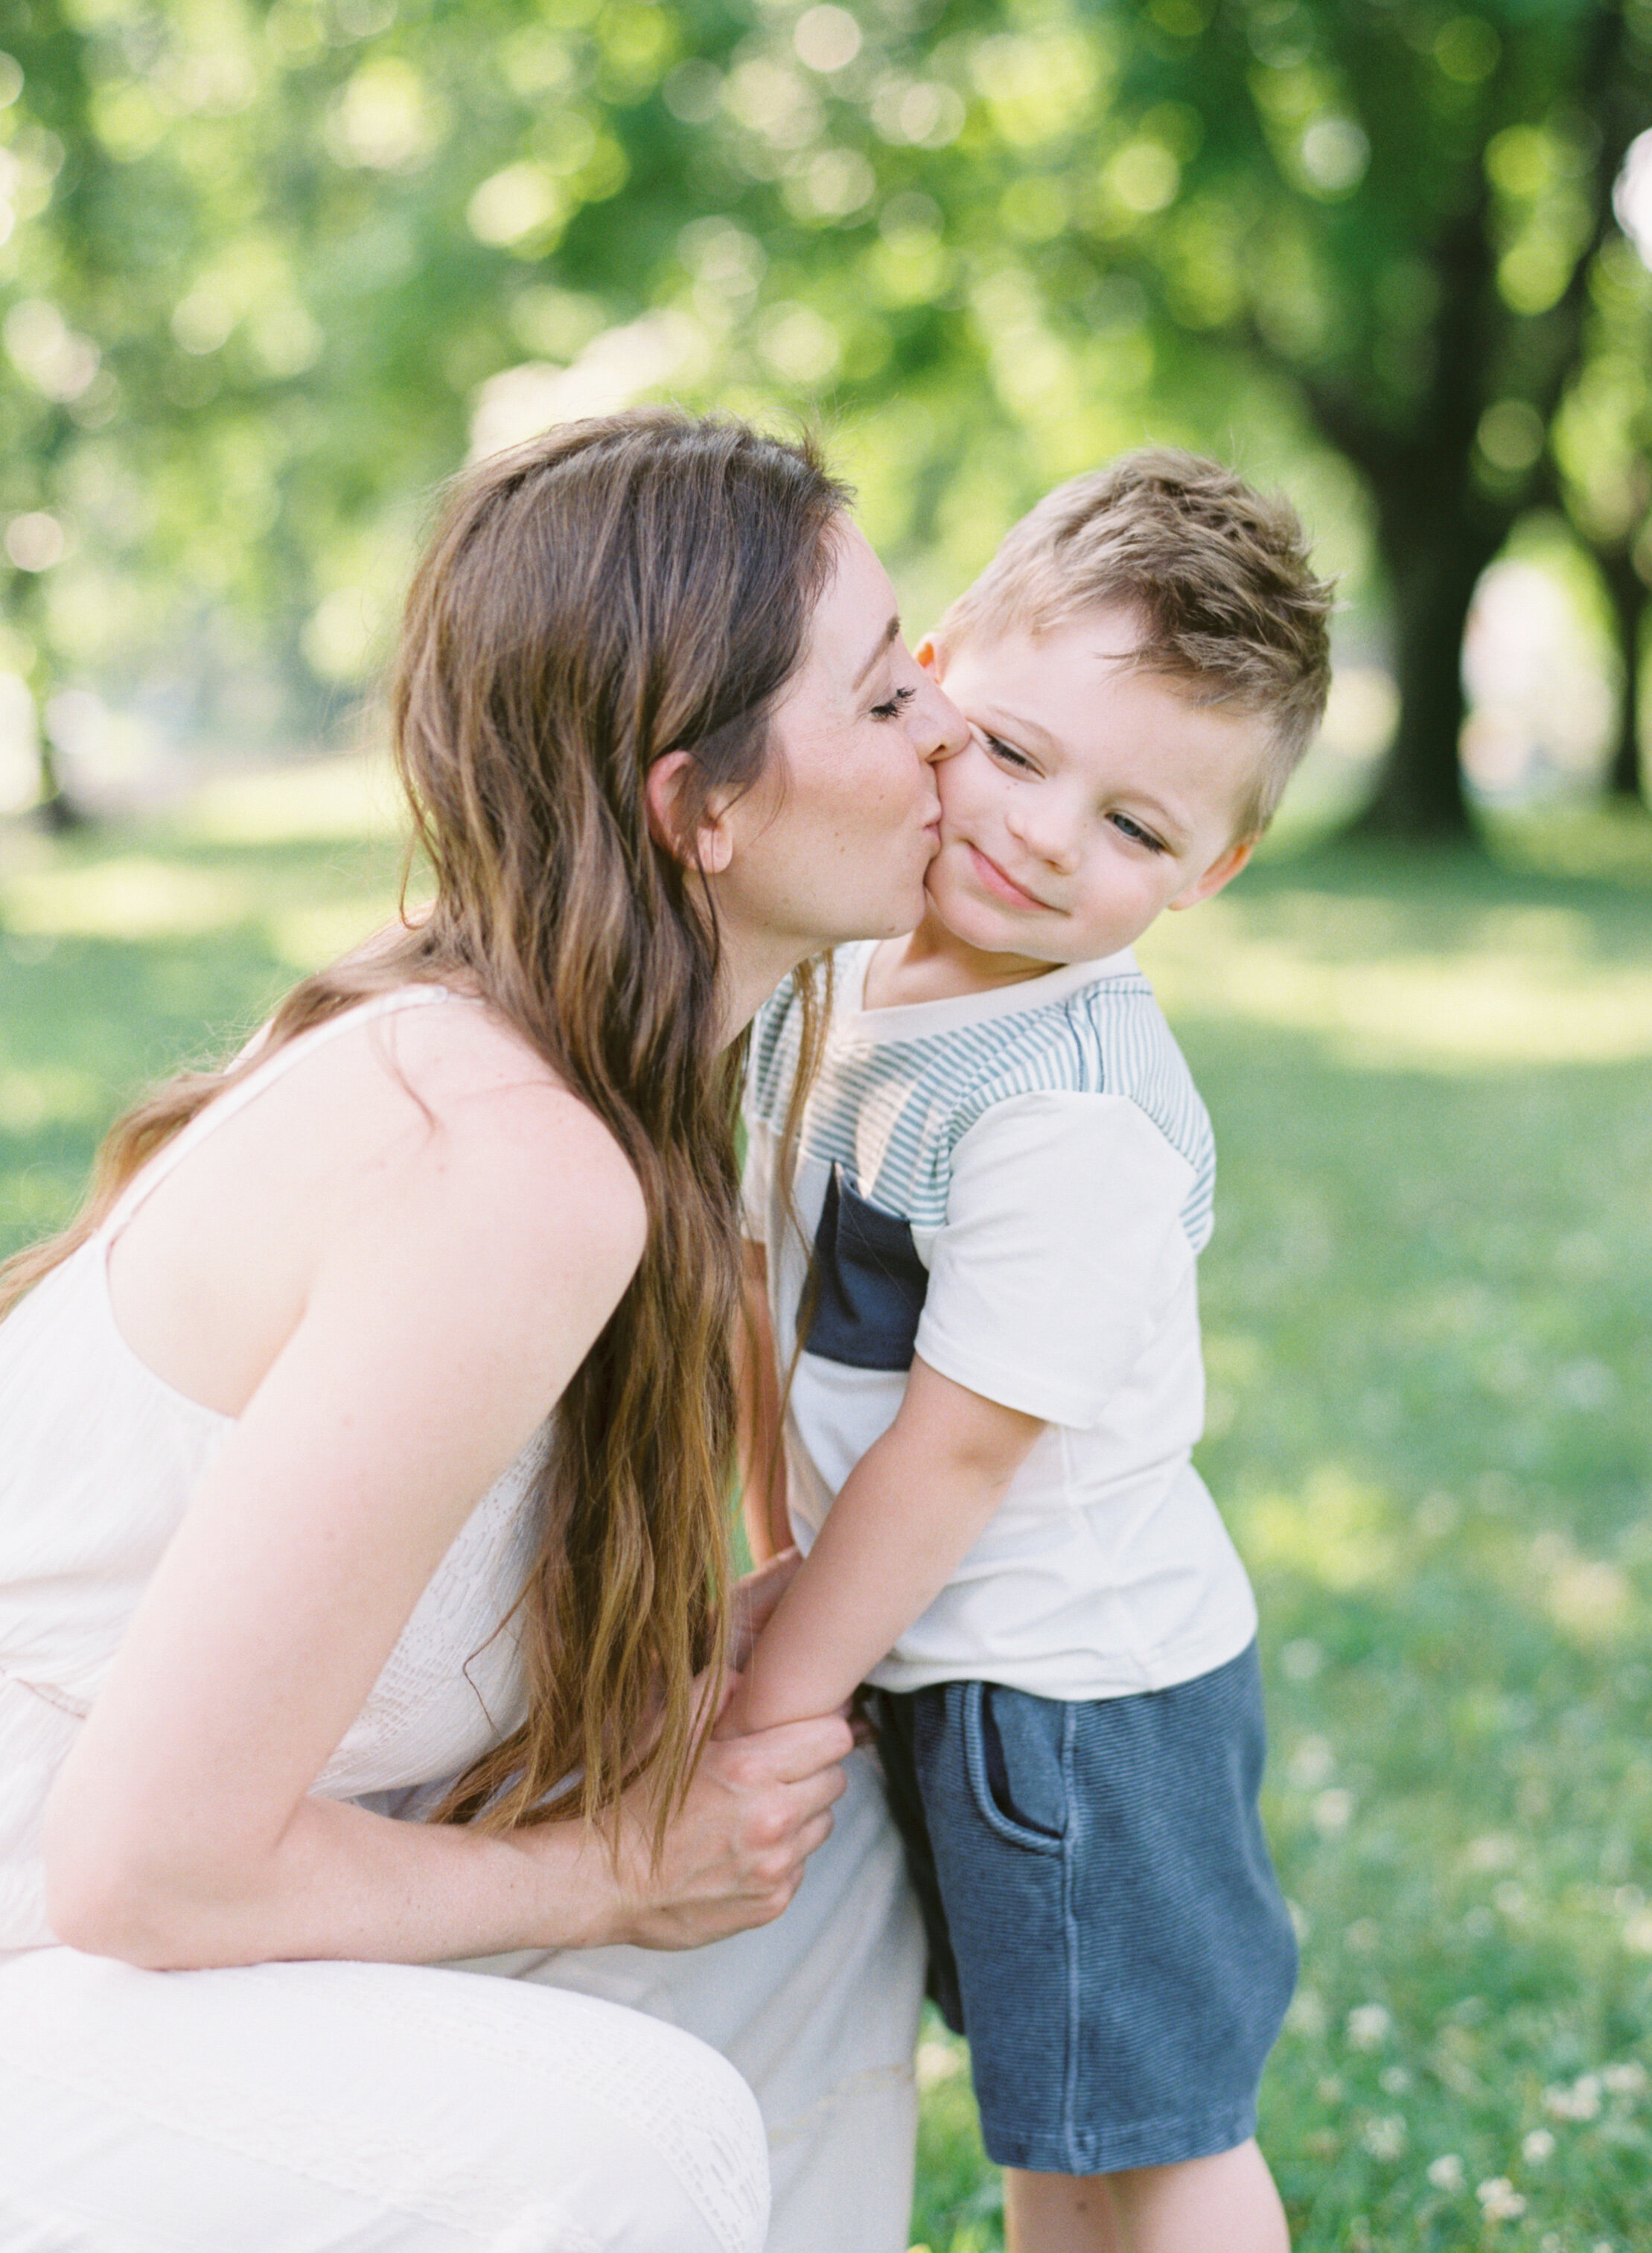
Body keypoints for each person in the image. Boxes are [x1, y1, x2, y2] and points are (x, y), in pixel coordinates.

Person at [0, 409, 969, 2253]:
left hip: (127, 1948)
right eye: (878, 702)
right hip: (52, 1957)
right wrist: (608, 1872)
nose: (951, 731)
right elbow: (139, 1866)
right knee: (623, 2137)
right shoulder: (501, 1158)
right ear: (699, 808)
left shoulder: (619, 1092)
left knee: (809, 1830)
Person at [730, 450, 1335, 2253]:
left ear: (1210, 867)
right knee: (1052, 2113)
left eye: (1137, 828)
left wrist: (779, 1685)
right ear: (930, 670)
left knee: (1155, 2131)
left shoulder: (1069, 1110)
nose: (1047, 837)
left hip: (1074, 1695)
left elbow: (954, 1455)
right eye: (1009, 749)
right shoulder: (860, 962)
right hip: (956, 1663)